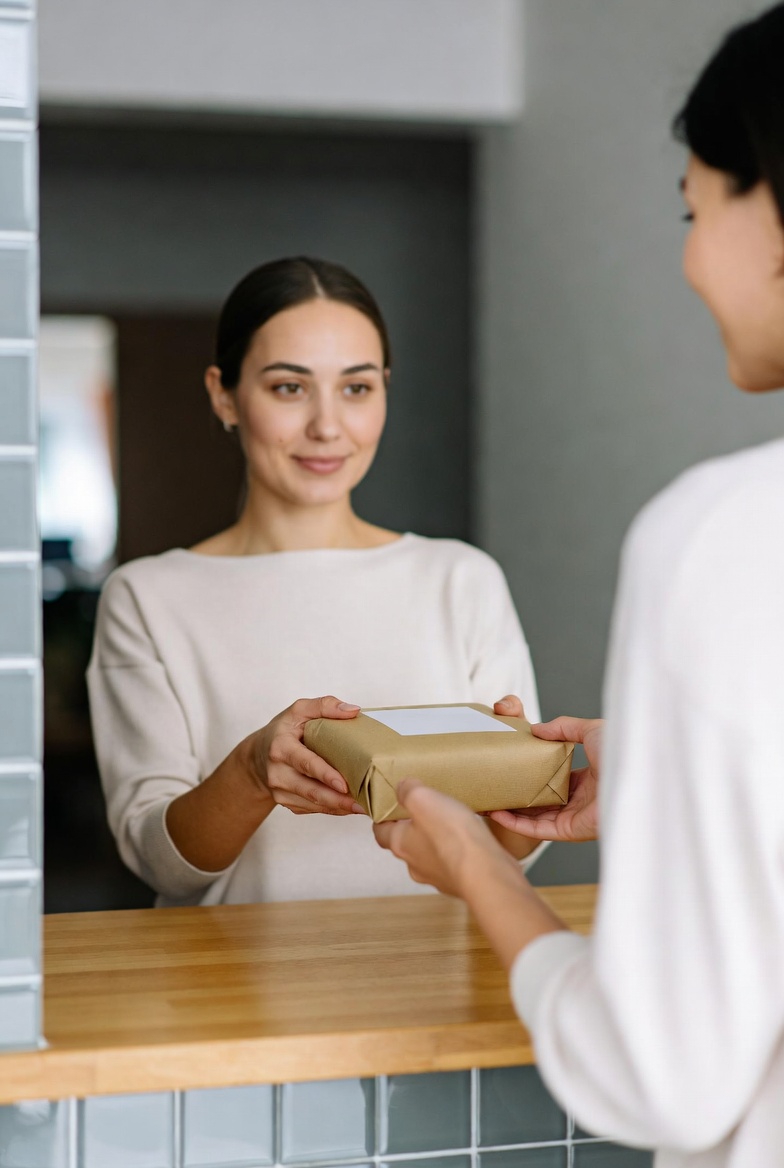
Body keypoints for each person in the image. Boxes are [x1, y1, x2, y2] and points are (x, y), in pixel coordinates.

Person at [374, 5, 784, 1166]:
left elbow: (663, 1080)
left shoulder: (719, 536)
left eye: (694, 206)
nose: (689, 255)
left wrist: (468, 865)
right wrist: (661, 765)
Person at [87, 255, 544, 907]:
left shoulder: (461, 580)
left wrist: (523, 793)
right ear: (224, 394)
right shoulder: (148, 598)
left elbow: (507, 861)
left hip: (437, 987)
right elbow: (162, 865)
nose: (328, 426)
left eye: (356, 388)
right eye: (288, 388)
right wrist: (251, 771)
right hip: (233, 996)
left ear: (385, 389)